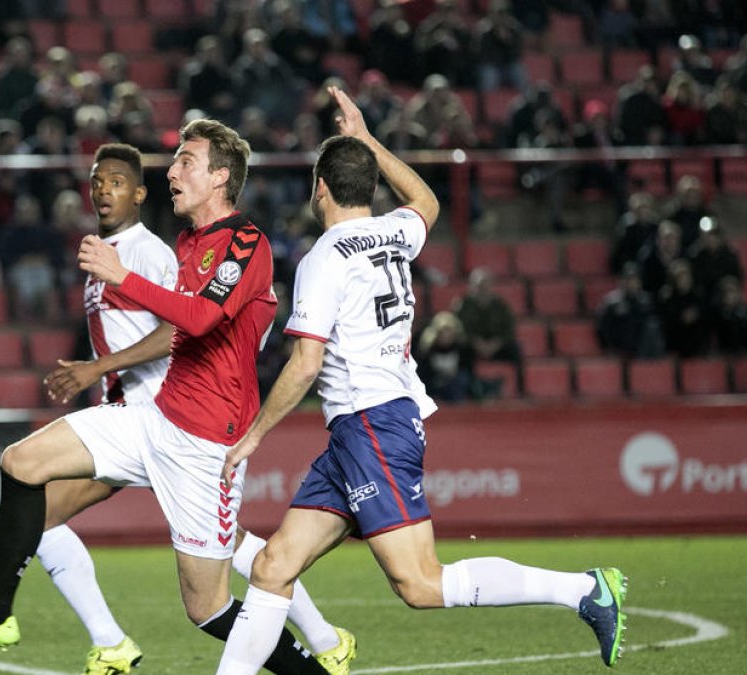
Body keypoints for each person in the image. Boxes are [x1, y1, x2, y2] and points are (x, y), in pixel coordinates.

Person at [214, 86, 627, 674]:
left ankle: (583, 589)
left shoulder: (325, 257)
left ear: (320, 190)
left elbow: (305, 363)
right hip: (363, 429)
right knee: (273, 566)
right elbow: (427, 201)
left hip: (372, 424)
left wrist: (252, 437)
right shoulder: (393, 234)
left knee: (421, 584)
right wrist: (368, 140)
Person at [0, 121, 348, 675]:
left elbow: (200, 319)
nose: (173, 171)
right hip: (154, 416)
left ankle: (315, 664)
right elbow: (181, 327)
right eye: (174, 162)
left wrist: (121, 277)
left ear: (220, 177)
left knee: (207, 610)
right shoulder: (189, 242)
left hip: (207, 444)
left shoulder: (246, 243)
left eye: (186, 162)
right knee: (21, 463)